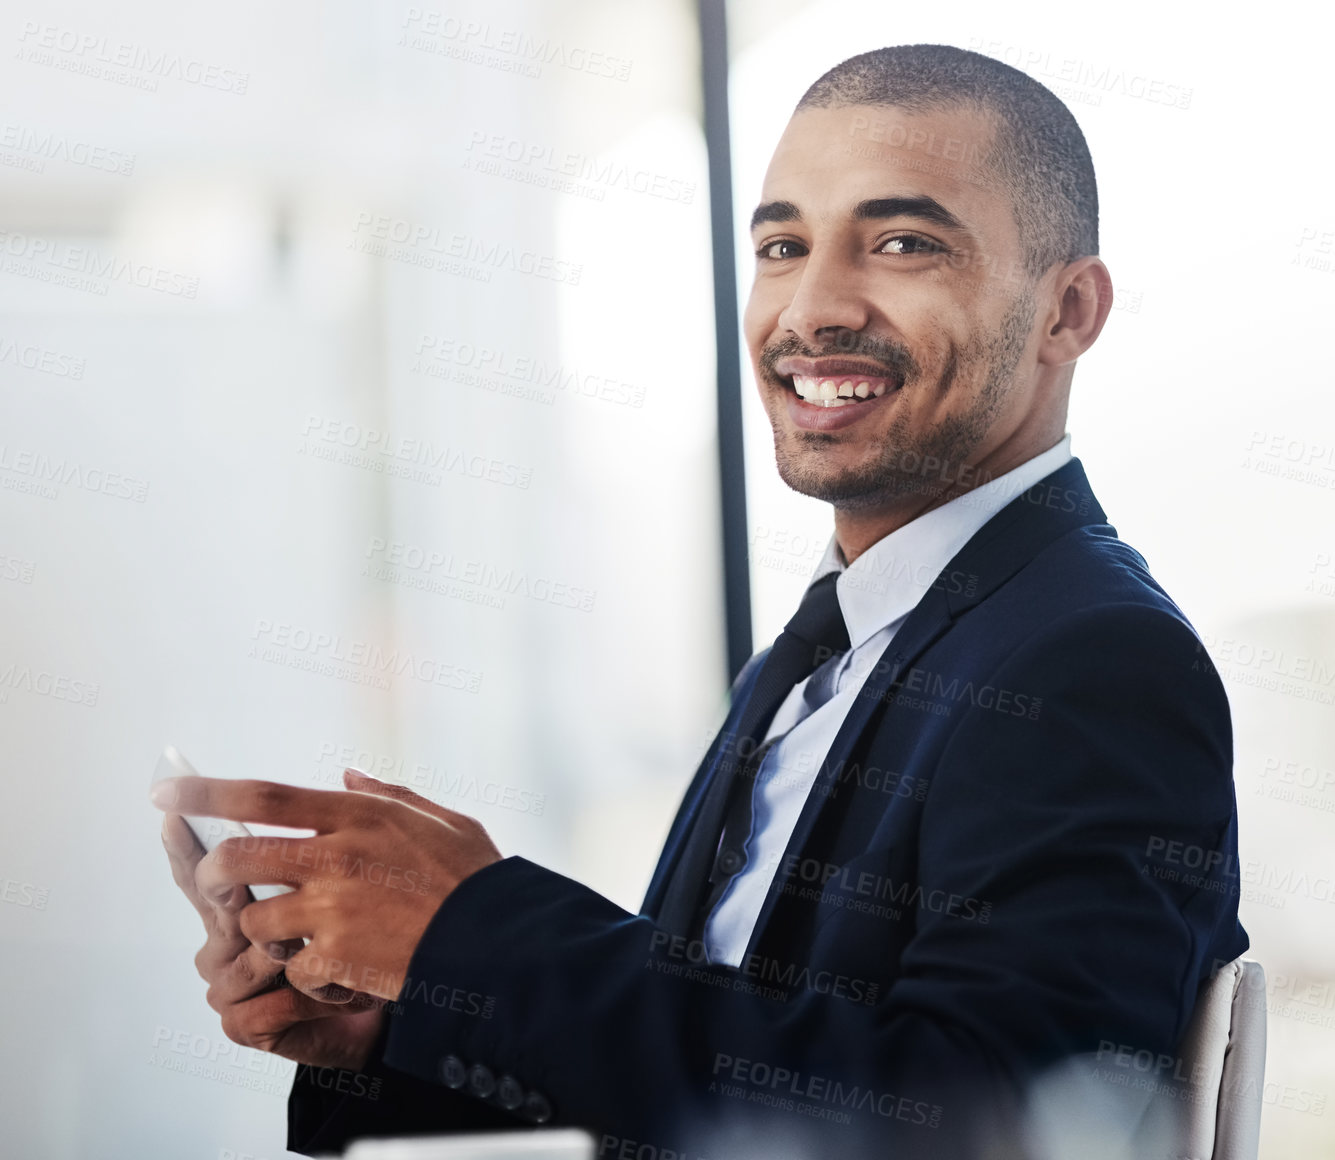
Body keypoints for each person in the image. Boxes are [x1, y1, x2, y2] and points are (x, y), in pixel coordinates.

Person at [155, 43, 1248, 1159]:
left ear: (1068, 310)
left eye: (903, 243)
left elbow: (988, 1121)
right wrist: (399, 1016)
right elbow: (732, 1062)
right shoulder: (832, 648)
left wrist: (477, 934)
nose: (813, 305)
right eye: (782, 245)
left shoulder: (1088, 659)